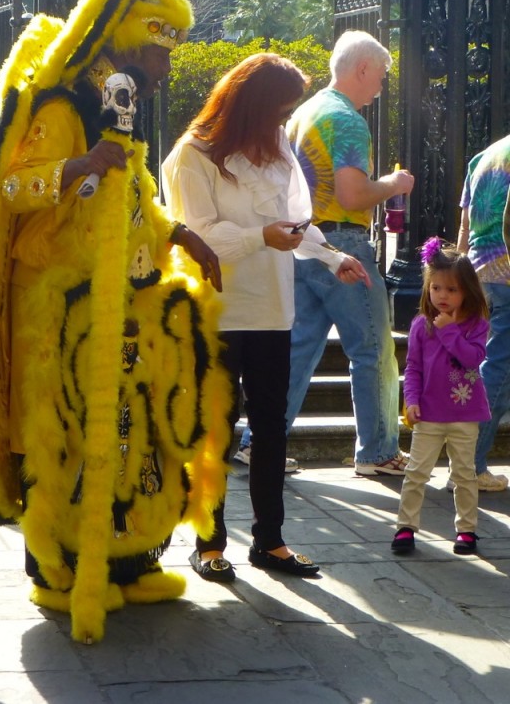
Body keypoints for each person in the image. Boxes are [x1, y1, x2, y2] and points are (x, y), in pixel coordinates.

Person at [0, 0, 232, 644]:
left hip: (126, 304)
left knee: (129, 438)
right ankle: (57, 568)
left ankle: (126, 560)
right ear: (130, 42)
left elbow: (138, 196)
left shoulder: (125, 110)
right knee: (68, 437)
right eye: (158, 55)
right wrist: (78, 166)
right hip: (58, 306)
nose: (165, 69)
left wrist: (179, 233)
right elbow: (9, 191)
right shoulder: (60, 104)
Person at [164, 54, 370, 583]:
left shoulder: (276, 148)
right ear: (251, 106)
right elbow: (197, 236)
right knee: (214, 429)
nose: (283, 122)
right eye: (277, 111)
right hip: (219, 310)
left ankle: (270, 540)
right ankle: (209, 544)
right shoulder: (193, 154)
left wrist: (332, 257)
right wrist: (260, 237)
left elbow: (298, 223)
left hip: (273, 311)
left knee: (271, 430)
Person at [238, 30, 415, 476]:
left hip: (300, 242)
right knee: (373, 348)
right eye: (380, 75)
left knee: (297, 349)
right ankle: (378, 452)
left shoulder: (305, 112)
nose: (380, 86)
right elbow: (353, 195)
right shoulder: (348, 119)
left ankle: (257, 444)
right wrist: (395, 185)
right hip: (342, 243)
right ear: (361, 69)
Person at [391, 238, 490, 556]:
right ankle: (406, 527)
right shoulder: (421, 325)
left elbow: (472, 358)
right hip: (429, 414)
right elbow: (413, 367)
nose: (442, 296)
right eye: (436, 289)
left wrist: (448, 330)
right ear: (428, 288)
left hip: (465, 414)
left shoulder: (476, 325)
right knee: (416, 472)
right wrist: (411, 399)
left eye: (451, 290)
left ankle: (467, 530)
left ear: (467, 291)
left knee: (464, 474)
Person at [457, 134, 510, 492]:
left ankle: (466, 463)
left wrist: (456, 279)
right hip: (506, 274)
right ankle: (470, 466)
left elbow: (464, 227)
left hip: (478, 272)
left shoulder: (485, 156)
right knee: (498, 369)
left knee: (484, 365)